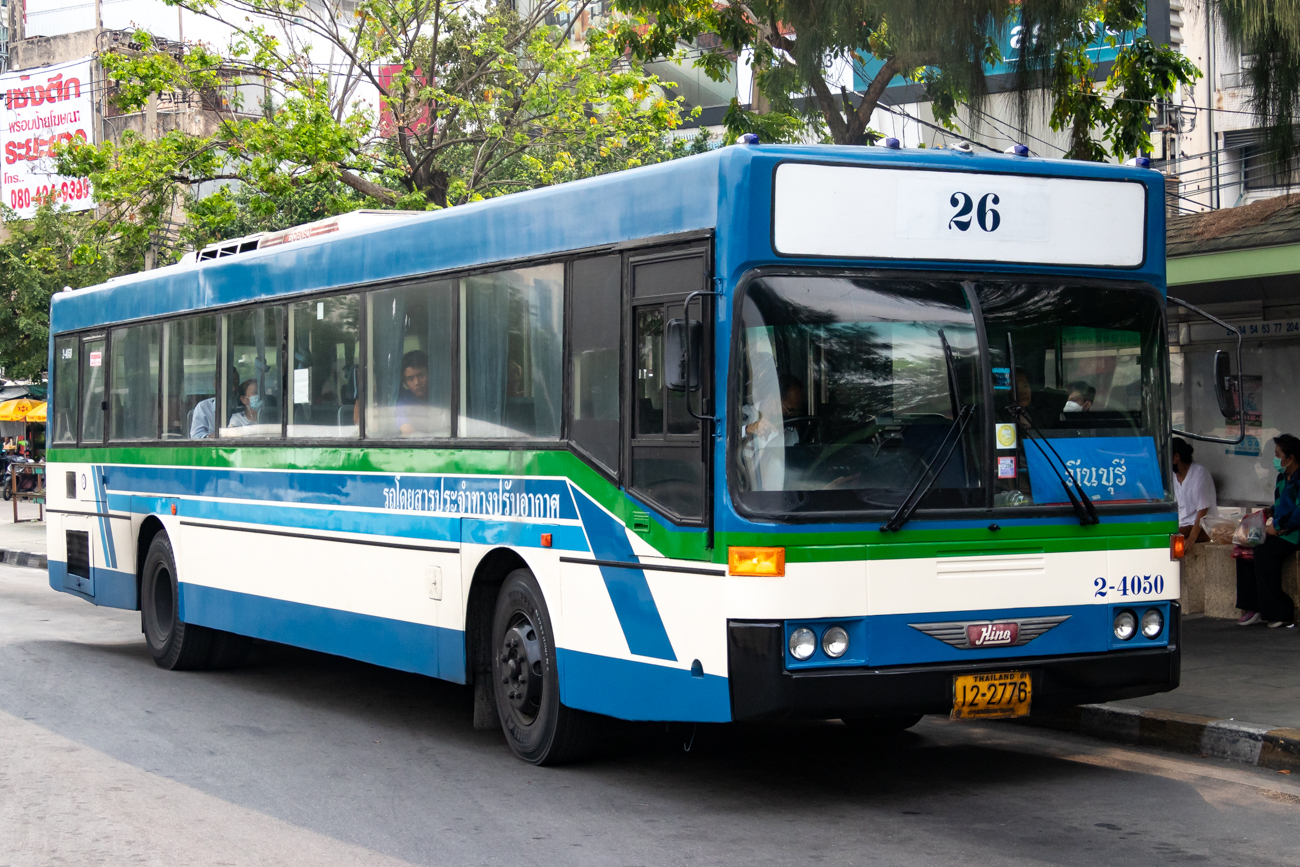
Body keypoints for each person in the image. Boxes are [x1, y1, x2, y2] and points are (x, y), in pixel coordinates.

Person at [1236, 434, 1300, 629]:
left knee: (1264, 552)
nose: (1275, 459)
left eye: (1278, 455)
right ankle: (1252, 606)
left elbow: (1298, 512)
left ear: (1291, 458)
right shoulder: (1282, 477)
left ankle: (1281, 610)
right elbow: (1282, 504)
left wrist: (1279, 527)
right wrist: (1271, 512)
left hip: (1295, 532)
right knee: (1244, 548)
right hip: (1280, 528)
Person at [1171, 437, 1217, 544]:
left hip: (1202, 527)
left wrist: (1192, 538)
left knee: (1168, 535)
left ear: (1176, 457)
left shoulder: (1199, 473)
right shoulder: (1173, 476)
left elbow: (1203, 510)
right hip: (1182, 525)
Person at [742, 374, 806, 447]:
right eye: (790, 411)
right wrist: (748, 429)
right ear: (772, 399)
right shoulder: (743, 415)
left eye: (797, 412)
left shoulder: (791, 433)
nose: (793, 416)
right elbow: (727, 439)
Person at [395, 350, 430, 436]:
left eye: (421, 376)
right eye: (410, 379)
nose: (417, 383)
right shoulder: (403, 401)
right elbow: (407, 430)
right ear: (405, 382)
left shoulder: (441, 396)